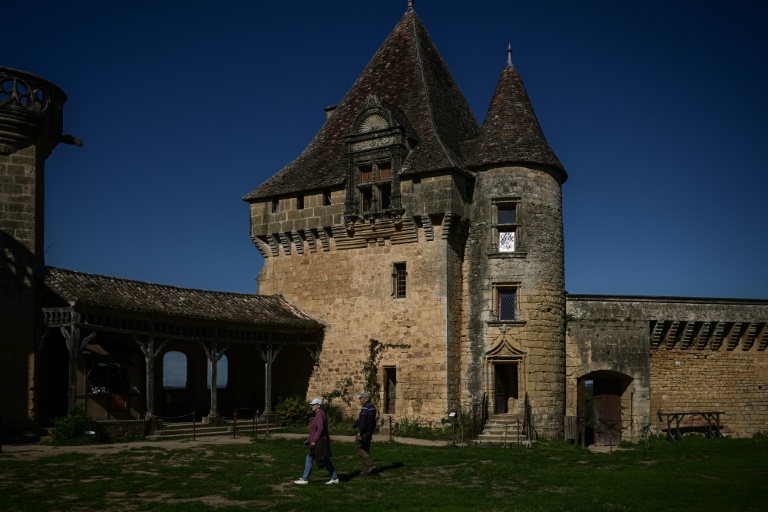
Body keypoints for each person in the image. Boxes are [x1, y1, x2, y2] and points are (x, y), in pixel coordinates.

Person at [294, 398, 339, 485]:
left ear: (318, 405)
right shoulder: (320, 414)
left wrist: (314, 440)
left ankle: (305, 479)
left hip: (319, 442)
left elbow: (320, 429)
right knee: (324, 459)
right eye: (312, 405)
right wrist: (308, 440)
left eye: (313, 405)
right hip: (320, 441)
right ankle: (334, 477)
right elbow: (315, 430)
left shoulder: (319, 414)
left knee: (310, 458)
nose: (312, 406)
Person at [354, 391, 377, 475]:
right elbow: (371, 420)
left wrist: (360, 431)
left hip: (364, 431)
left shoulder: (365, 407)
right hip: (370, 431)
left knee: (358, 448)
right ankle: (367, 469)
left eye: (361, 398)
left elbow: (363, 420)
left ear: (365, 398)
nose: (360, 399)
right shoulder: (372, 407)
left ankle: (370, 464)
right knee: (366, 449)